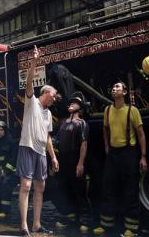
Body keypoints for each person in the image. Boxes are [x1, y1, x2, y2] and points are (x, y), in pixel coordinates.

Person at [93, 82, 147, 237]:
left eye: (117, 87)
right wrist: (107, 146)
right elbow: (105, 128)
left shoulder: (132, 110)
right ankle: (106, 224)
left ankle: (131, 228)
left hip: (128, 153)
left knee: (130, 189)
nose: (114, 89)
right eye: (113, 87)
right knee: (108, 188)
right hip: (113, 154)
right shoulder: (107, 110)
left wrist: (143, 156)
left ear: (124, 92)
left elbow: (141, 133)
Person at [17, 45, 59, 237]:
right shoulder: (31, 101)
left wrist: (53, 157)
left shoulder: (48, 113)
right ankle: (24, 226)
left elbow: (48, 136)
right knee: (26, 186)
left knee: (40, 187)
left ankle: (36, 224)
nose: (55, 98)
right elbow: (28, 83)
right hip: (27, 147)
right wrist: (34, 61)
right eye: (53, 95)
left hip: (42, 151)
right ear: (45, 93)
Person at [54, 92, 91, 233]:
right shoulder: (63, 123)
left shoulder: (81, 123)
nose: (71, 104)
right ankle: (70, 218)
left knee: (79, 191)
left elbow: (84, 144)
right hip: (63, 161)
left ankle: (85, 220)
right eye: (70, 103)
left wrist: (80, 163)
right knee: (65, 189)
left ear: (80, 108)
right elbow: (56, 140)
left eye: (74, 103)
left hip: (75, 160)